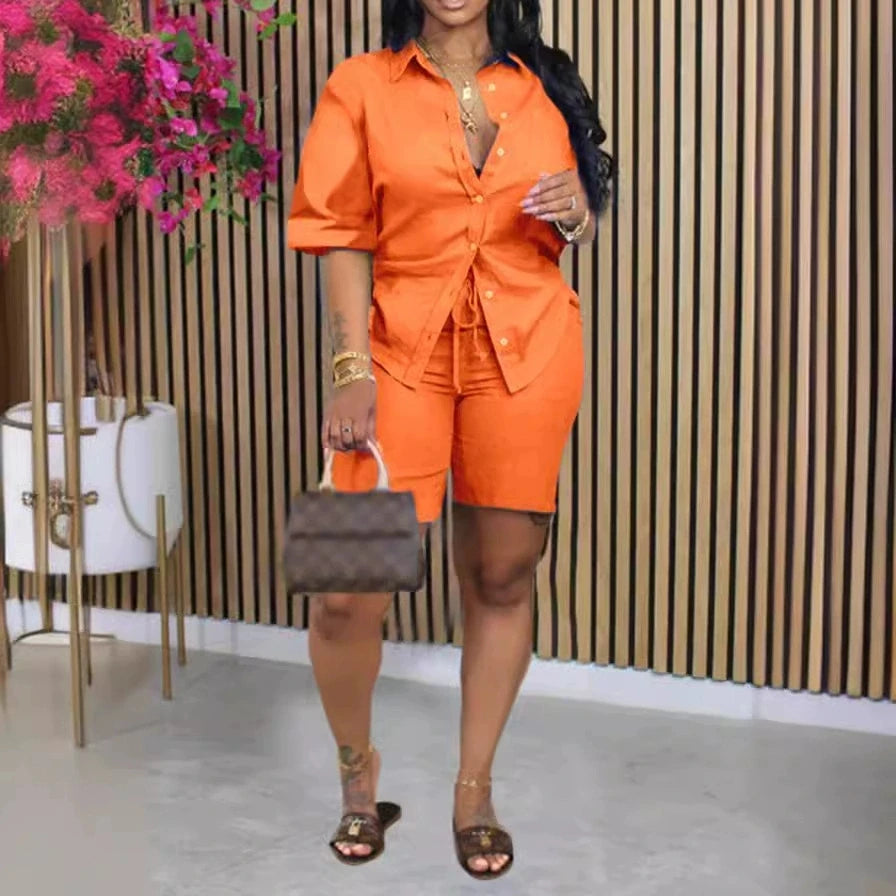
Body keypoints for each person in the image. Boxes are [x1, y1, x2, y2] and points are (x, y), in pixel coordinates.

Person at [287, 0, 612, 880]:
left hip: (527, 353)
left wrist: (578, 213)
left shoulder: (545, 81)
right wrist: (348, 367)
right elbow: (340, 235)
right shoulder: (360, 85)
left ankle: (474, 791)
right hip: (396, 352)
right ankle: (359, 775)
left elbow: (572, 225)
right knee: (343, 590)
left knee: (503, 575)